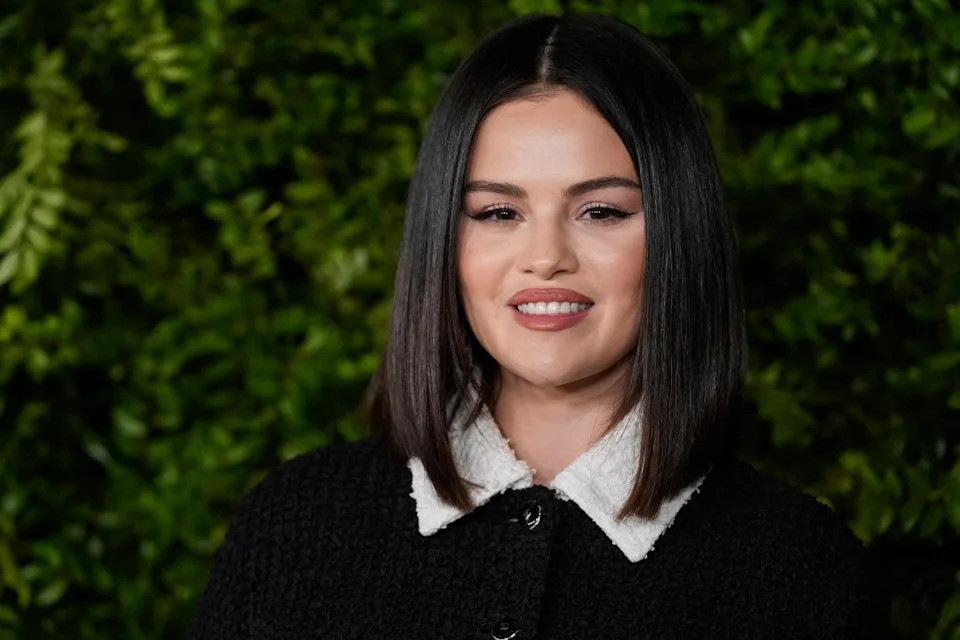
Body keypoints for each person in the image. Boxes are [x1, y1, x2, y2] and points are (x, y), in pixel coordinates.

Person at [189, 12, 890, 639]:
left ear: (679, 235)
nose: (547, 256)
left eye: (601, 211)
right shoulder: (294, 525)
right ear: (444, 241)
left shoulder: (804, 572)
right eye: (499, 212)